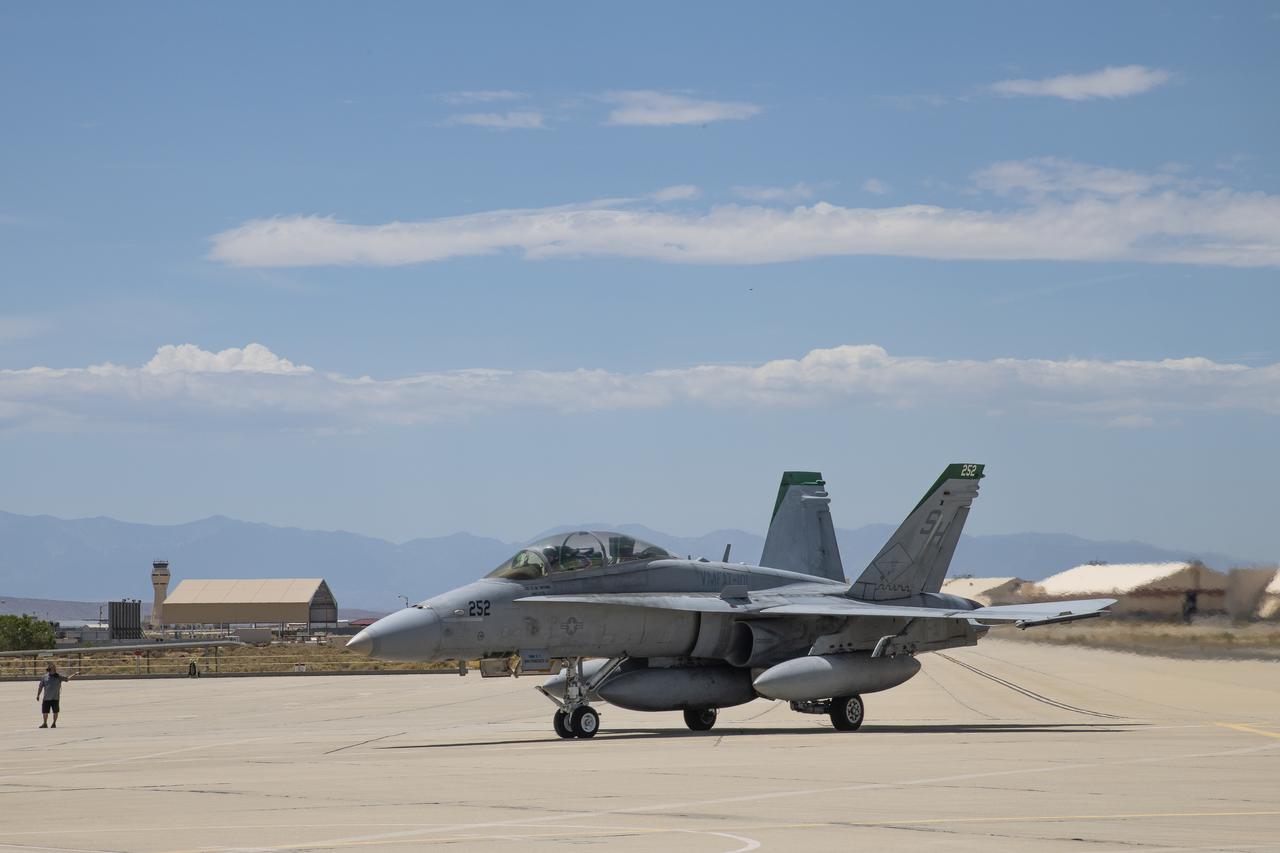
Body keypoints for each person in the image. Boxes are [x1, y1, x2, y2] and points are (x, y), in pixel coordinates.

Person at [36, 662, 74, 729]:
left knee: (55, 712)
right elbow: (40, 687)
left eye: (54, 669)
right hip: (46, 698)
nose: (54, 670)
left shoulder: (58, 676)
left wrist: (75, 674)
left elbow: (67, 679)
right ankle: (45, 723)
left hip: (55, 698)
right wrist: (38, 695)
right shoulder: (44, 677)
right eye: (52, 669)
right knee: (45, 712)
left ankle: (54, 723)